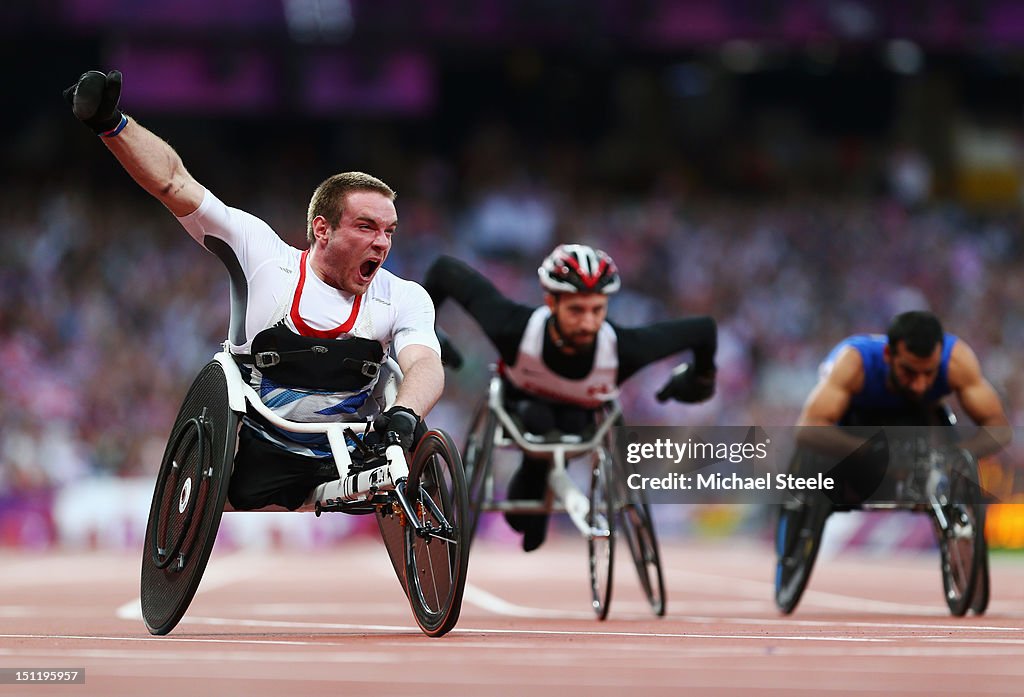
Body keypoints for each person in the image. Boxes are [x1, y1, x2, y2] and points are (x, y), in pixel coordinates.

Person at [65, 69, 444, 511]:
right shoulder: (264, 257)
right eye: (366, 226)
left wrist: (405, 412)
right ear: (322, 229)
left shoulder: (404, 296)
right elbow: (174, 183)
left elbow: (424, 364)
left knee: (409, 423)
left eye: (389, 230)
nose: (382, 242)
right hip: (254, 455)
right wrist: (112, 125)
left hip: (351, 457)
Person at [423, 244, 717, 551]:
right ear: (551, 302)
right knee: (539, 417)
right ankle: (534, 504)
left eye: (597, 310)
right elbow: (445, 270)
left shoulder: (623, 349)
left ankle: (534, 504)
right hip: (520, 416)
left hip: (579, 424)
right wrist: (426, 330)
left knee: (560, 423)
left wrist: (699, 380)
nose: (588, 323)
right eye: (576, 310)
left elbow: (703, 330)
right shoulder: (514, 327)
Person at [797, 310, 1010, 461]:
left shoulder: (957, 361)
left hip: (919, 417)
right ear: (889, 355)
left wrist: (958, 455)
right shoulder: (854, 363)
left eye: (929, 373)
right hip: (857, 422)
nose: (919, 385)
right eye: (909, 372)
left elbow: (1000, 429)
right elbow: (807, 430)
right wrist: (866, 452)